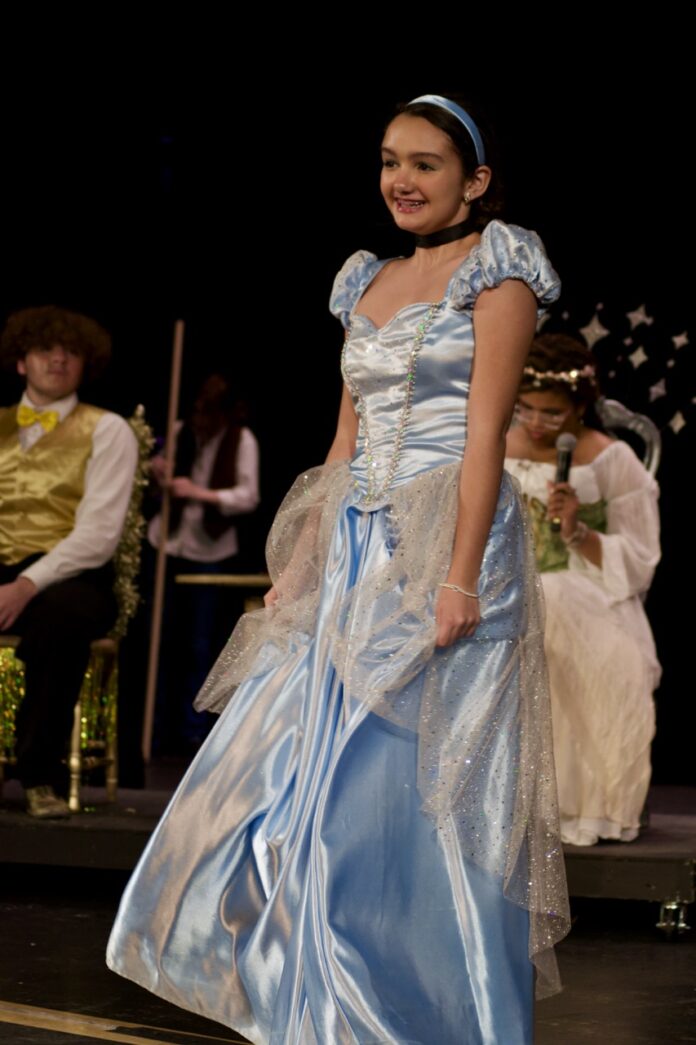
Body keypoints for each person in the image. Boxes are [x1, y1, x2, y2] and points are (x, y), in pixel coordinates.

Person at [107, 95, 569, 1043]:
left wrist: (457, 574)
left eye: (427, 164)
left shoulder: (501, 271)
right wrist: (309, 555)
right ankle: (321, 1004)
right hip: (358, 538)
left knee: (414, 786)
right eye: (391, 161)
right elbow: (344, 435)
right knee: (297, 780)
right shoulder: (367, 278)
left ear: (474, 180)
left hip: (446, 539)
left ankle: (441, 1013)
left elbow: (484, 436)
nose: (402, 179)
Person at [505, 333, 661, 846]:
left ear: (578, 408)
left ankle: (583, 809)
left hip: (583, 585)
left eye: (550, 413)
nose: (534, 422)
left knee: (609, 661)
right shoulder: (491, 443)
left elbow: (639, 560)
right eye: (525, 408)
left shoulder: (612, 459)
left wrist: (577, 529)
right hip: (503, 580)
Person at [0, 305, 138, 818]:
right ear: (21, 362)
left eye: (71, 352)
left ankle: (39, 774)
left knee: (63, 619)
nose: (58, 359)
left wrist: (26, 584)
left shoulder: (107, 430)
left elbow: (98, 535)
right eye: (45, 350)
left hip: (68, 573)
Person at [147, 373, 260, 752]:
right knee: (161, 642)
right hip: (168, 545)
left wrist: (199, 493)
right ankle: (155, 726)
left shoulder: (240, 440)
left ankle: (191, 729)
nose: (201, 423)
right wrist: (157, 468)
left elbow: (248, 495)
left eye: (209, 415)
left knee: (198, 644)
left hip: (210, 553)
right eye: (198, 414)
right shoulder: (179, 432)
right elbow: (156, 465)